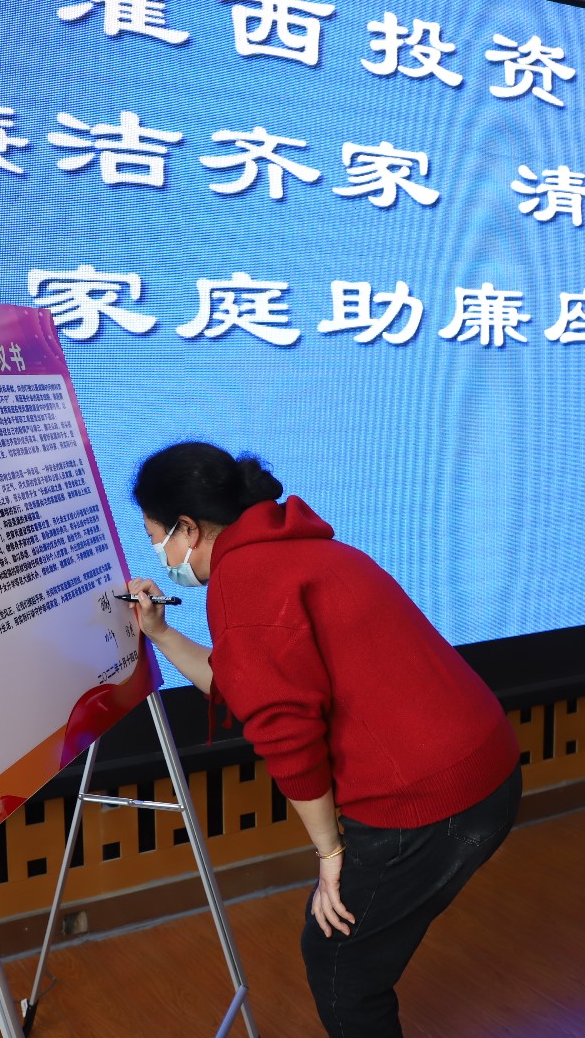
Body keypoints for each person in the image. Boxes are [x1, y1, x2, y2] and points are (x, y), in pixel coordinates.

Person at [125, 441, 521, 1037]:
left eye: (156, 537)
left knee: (340, 964)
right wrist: (159, 632)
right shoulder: (295, 546)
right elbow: (244, 680)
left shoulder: (244, 578)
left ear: (189, 528)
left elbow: (286, 734)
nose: (160, 555)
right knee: (347, 953)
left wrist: (330, 854)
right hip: (485, 766)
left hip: (434, 801)